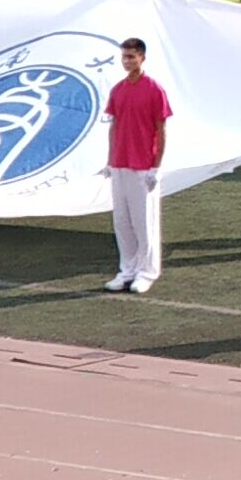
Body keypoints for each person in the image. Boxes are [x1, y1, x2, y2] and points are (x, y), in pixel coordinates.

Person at [102, 37, 171, 294]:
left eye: (131, 56)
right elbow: (114, 126)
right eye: (124, 56)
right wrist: (110, 160)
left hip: (143, 166)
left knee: (144, 223)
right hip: (120, 163)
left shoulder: (154, 90)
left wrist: (156, 166)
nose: (127, 61)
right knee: (122, 221)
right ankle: (127, 270)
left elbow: (161, 129)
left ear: (142, 58)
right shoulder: (118, 90)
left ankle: (147, 272)